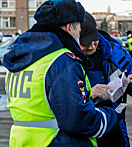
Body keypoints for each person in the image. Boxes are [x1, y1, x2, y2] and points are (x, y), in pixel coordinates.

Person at [3, 1, 120, 146]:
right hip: (57, 141)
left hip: (23, 141)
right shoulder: (63, 61)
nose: (78, 35)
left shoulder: (20, 58)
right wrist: (111, 116)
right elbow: (80, 121)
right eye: (78, 29)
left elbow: (41, 103)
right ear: (69, 27)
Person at [79, 12, 132, 147]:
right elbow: (64, 101)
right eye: (85, 43)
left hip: (114, 126)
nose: (92, 46)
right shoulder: (66, 58)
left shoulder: (114, 50)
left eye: (94, 40)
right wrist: (89, 94)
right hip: (86, 129)